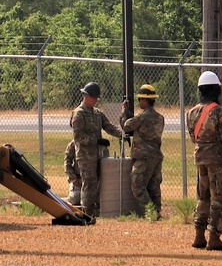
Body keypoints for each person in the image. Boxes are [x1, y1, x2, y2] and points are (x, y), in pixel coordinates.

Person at [186, 70, 222, 251]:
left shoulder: (191, 112)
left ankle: (199, 235)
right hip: (217, 161)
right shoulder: (218, 111)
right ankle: (214, 237)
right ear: (216, 90)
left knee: (203, 197)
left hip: (200, 158)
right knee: (220, 197)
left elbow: (194, 138)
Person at [69, 81, 123, 220]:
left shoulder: (97, 113)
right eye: (93, 98)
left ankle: (98, 210)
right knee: (89, 183)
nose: (95, 101)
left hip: (99, 155)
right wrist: (96, 140)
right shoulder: (78, 114)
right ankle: (87, 213)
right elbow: (78, 137)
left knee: (99, 182)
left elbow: (108, 126)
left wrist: (122, 134)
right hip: (85, 157)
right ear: (86, 96)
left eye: (96, 98)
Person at [121, 83, 165, 217]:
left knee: (137, 185)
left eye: (140, 99)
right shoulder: (160, 118)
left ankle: (151, 212)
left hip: (143, 157)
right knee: (154, 187)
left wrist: (124, 112)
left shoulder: (142, 117)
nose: (139, 101)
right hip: (156, 156)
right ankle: (157, 212)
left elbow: (126, 126)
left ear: (145, 100)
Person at [63, 140, 81, 206]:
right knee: (75, 198)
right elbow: (67, 163)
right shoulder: (73, 144)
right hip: (78, 180)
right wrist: (73, 178)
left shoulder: (94, 143)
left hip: (92, 179)